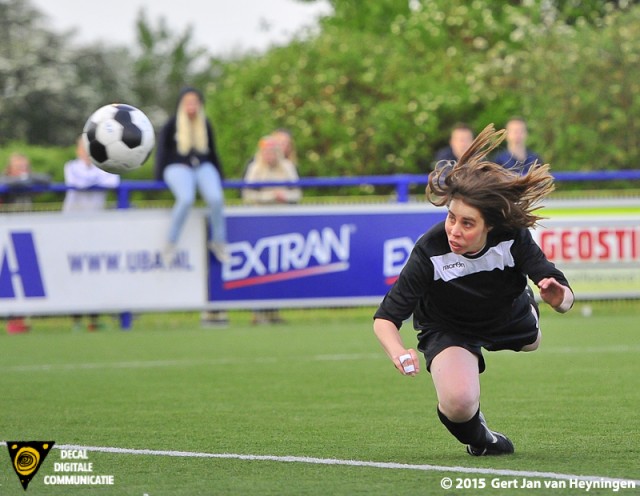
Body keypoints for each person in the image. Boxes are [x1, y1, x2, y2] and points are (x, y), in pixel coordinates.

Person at [373, 124, 574, 457]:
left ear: (490, 225)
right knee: (459, 403)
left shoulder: (512, 235)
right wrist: (398, 352)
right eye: (452, 218)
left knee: (532, 342)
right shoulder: (430, 249)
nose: (454, 230)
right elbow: (385, 318)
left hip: (505, 314)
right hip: (448, 326)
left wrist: (559, 298)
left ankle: (526, 309)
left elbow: (563, 294)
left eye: (467, 223)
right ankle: (481, 439)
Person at [155, 87, 228, 263]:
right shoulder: (172, 124)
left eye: (195, 101)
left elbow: (212, 152)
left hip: (202, 166)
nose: (192, 105)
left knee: (216, 198)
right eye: (188, 101)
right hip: (177, 166)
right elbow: (162, 152)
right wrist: (158, 176)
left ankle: (219, 241)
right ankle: (170, 242)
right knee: (186, 199)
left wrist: (220, 175)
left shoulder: (205, 124)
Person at [242, 135, 302, 324]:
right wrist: (271, 196)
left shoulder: (287, 167)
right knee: (259, 267)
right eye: (266, 152)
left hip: (282, 225)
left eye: (273, 151)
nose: (269, 155)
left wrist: (284, 196)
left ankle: (273, 312)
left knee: (278, 269)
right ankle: (257, 312)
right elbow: (247, 195)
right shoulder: (255, 168)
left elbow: (297, 193)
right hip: (260, 225)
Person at [63, 137, 120, 331]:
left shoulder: (104, 167)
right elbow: (78, 183)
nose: (86, 153)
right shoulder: (71, 166)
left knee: (96, 272)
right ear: (77, 150)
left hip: (96, 229)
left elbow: (114, 181)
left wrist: (95, 178)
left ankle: (94, 319)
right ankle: (76, 319)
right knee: (75, 274)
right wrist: (97, 180)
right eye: (83, 148)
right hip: (72, 228)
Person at [1, 153, 50, 333]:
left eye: (25, 167)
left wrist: (25, 177)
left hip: (24, 236)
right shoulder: (6, 181)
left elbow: (45, 180)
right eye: (18, 167)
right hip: (5, 236)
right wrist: (22, 179)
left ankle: (20, 319)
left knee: (24, 279)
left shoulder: (29, 182)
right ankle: (11, 320)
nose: (23, 171)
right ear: (10, 168)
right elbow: (8, 182)